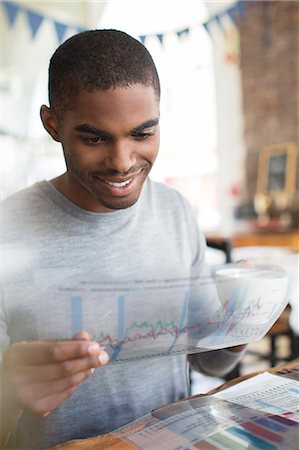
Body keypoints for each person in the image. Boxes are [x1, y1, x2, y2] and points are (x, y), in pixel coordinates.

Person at [0, 29, 246, 449]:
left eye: (142, 133)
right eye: (95, 138)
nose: (122, 162)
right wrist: (8, 392)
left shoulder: (175, 212)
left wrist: (239, 320)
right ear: (52, 124)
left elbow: (209, 358)